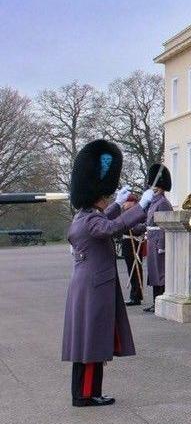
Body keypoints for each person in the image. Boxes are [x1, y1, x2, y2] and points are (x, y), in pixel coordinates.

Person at [63, 139, 155, 407]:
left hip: (88, 284)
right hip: (95, 286)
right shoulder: (91, 219)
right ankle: (87, 395)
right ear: (96, 195)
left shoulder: (84, 215)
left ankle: (85, 392)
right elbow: (110, 228)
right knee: (92, 341)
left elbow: (106, 219)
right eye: (105, 196)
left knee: (88, 341)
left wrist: (117, 202)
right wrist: (141, 206)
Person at [139, 163, 172, 313]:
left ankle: (160, 301)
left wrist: (162, 245)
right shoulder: (153, 202)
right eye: (153, 186)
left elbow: (165, 226)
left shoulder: (163, 203)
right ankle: (155, 301)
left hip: (159, 241)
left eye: (157, 186)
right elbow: (148, 222)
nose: (154, 188)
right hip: (152, 239)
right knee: (153, 273)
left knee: (160, 273)